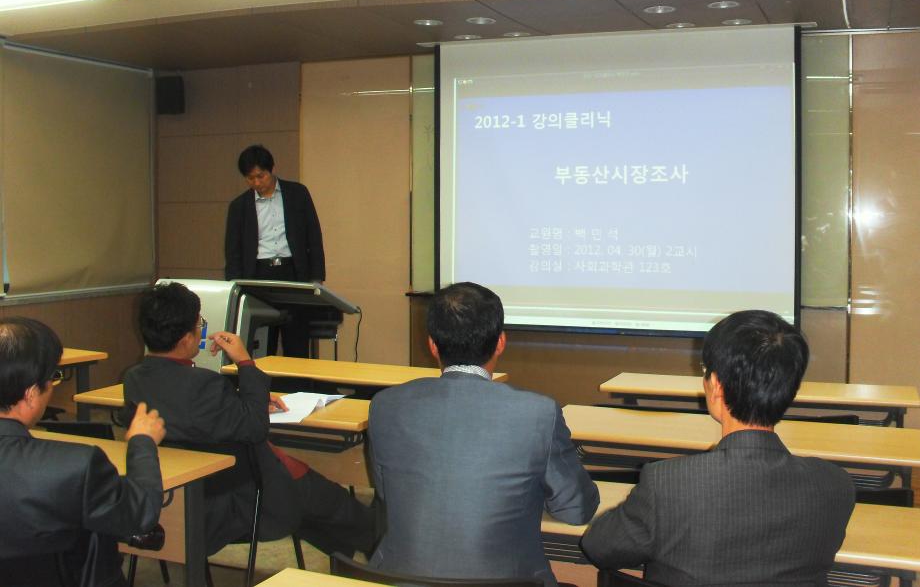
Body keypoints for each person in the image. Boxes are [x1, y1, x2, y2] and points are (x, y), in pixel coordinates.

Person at [581, 310, 856, 586]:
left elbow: (600, 547)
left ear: (715, 386)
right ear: (791, 390)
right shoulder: (835, 484)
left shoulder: (667, 484)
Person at [367, 282, 599, 587]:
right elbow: (576, 509)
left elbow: (388, 493)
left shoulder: (385, 404)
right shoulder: (538, 413)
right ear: (501, 342)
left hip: (398, 578)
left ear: (432, 345)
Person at [122, 281, 377, 559]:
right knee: (329, 502)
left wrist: (247, 403)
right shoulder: (204, 384)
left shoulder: (134, 379)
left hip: (184, 494)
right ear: (185, 340)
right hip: (238, 497)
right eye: (199, 325)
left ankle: (348, 558)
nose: (201, 331)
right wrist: (244, 361)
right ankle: (379, 550)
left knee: (315, 508)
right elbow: (255, 429)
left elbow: (190, 412)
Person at [0, 317, 166, 587]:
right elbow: (141, 514)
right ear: (30, 394)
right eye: (53, 378)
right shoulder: (76, 466)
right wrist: (142, 442)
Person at [224, 143, 325, 356]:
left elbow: (313, 236)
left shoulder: (297, 194)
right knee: (261, 345)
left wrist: (316, 277)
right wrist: (234, 286)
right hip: (258, 276)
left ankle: (296, 377)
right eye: (250, 178)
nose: (256, 183)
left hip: (293, 273)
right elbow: (233, 250)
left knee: (296, 344)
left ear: (272, 169)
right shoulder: (239, 206)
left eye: (261, 176)